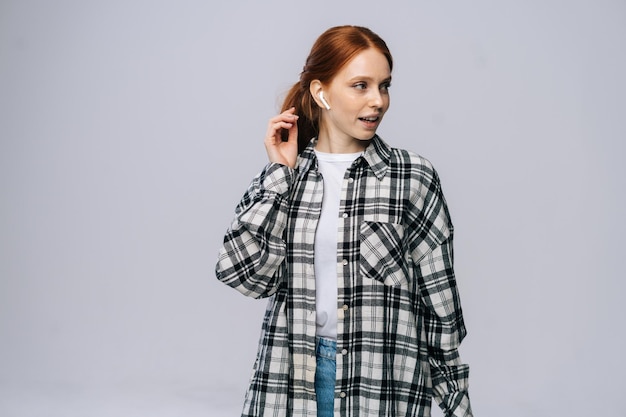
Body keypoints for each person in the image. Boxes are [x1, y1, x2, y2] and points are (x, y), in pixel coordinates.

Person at [215, 25, 472, 417]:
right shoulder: (286, 178)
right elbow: (242, 274)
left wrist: (456, 402)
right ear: (321, 93)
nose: (378, 101)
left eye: (384, 86)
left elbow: (440, 308)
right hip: (291, 379)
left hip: (383, 384)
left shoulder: (412, 177)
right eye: (360, 86)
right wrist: (278, 174)